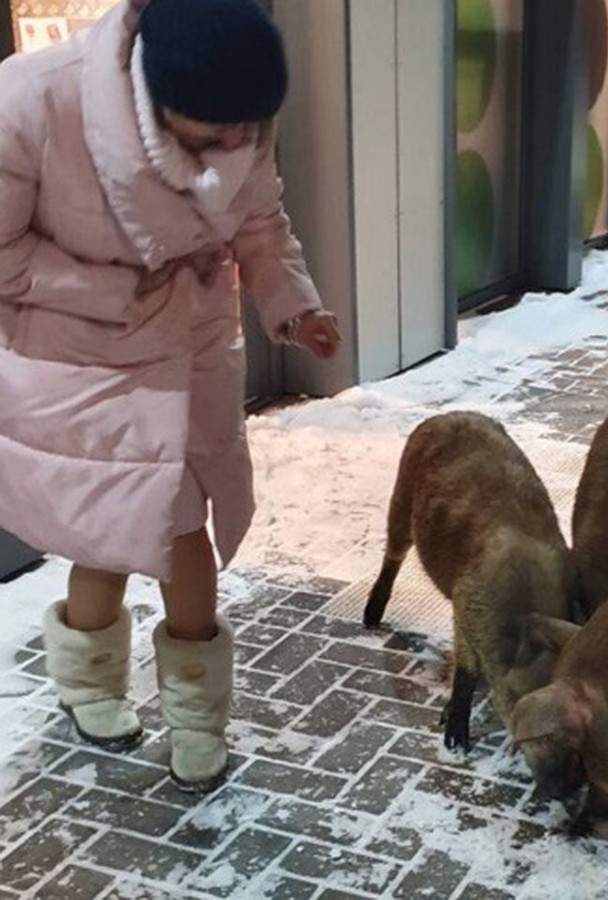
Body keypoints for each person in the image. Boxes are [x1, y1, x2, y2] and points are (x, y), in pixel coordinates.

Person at [0, 0, 341, 793]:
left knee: (180, 531)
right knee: (112, 539)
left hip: (190, 359)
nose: (232, 149)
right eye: (208, 136)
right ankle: (95, 687)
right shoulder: (32, 101)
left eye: (243, 135)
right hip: (86, 366)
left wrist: (293, 303)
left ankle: (191, 716)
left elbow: (260, 222)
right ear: (151, 90)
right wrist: (115, 289)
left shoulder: (239, 117)